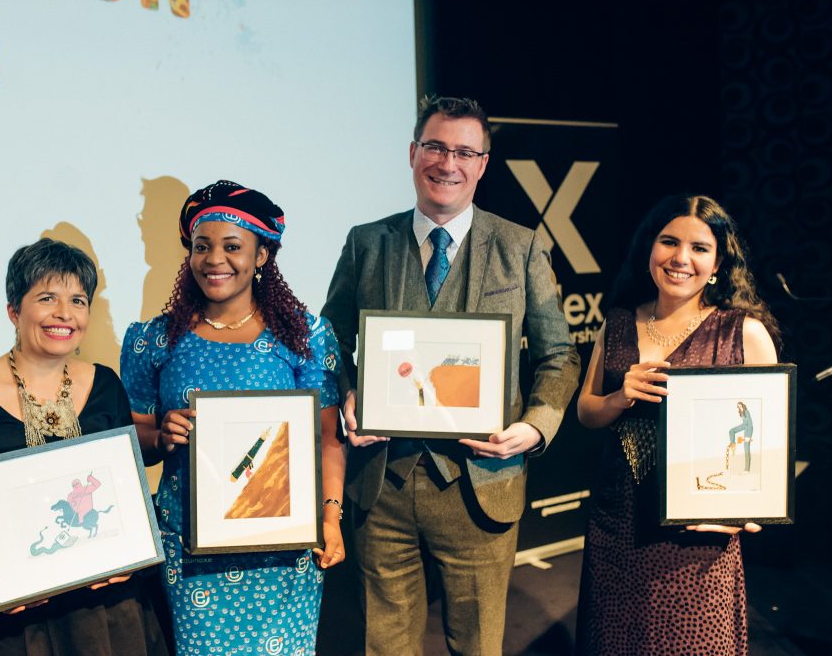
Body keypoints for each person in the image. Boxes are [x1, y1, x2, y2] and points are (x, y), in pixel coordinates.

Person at [321, 95, 581, 654]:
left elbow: (560, 355)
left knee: (478, 645)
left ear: (483, 163)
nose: (448, 163)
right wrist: (345, 393)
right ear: (413, 153)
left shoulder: (521, 246)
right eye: (436, 147)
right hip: (382, 482)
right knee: (384, 644)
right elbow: (331, 340)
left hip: (481, 484)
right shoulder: (367, 242)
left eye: (465, 151)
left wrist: (535, 427)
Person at [120, 180, 346, 655]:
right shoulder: (154, 339)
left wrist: (330, 517)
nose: (214, 259)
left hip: (284, 548)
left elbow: (327, 438)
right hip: (192, 549)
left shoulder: (306, 335)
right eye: (202, 247)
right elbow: (129, 441)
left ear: (262, 254)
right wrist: (160, 436)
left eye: (232, 246)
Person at [0, 238, 166, 655]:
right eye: (47, 297)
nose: (65, 314)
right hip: (6, 620)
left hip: (105, 614)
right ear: (14, 310)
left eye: (78, 300)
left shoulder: (106, 386)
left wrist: (133, 555)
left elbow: (126, 494)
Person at [575, 194, 779, 655]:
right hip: (618, 523)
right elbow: (587, 411)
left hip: (697, 533)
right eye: (669, 241)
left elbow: (770, 441)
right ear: (650, 248)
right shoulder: (620, 323)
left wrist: (746, 512)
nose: (680, 258)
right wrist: (618, 397)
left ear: (719, 261)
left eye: (699, 248)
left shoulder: (742, 332)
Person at [728, 401, 754, 472]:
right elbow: (744, 423)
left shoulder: (747, 412)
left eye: (740, 406)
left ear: (743, 405)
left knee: (746, 449)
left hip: (748, 429)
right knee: (731, 431)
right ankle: (733, 445)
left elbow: (751, 425)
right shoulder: (741, 413)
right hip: (744, 426)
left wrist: (749, 436)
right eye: (738, 406)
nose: (739, 407)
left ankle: (747, 469)